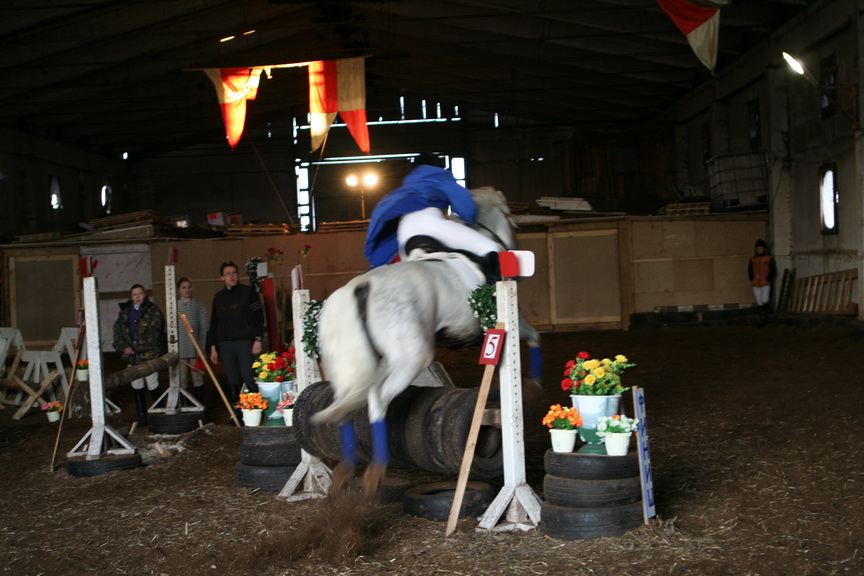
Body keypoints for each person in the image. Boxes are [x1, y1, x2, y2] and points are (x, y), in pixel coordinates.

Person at [363, 153, 503, 279]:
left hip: (404, 233)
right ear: (438, 166)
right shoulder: (440, 176)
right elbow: (468, 211)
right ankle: (495, 296)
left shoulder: (404, 188)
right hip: (430, 223)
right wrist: (469, 215)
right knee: (491, 247)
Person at [206, 262, 264, 409]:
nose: (231, 276)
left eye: (234, 273)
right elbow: (214, 322)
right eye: (227, 274)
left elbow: (258, 317)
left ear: (238, 275)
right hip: (225, 343)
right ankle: (236, 410)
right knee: (231, 378)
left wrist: (258, 339)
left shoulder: (249, 292)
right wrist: (213, 347)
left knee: (248, 375)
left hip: (244, 341)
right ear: (222, 277)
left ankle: (255, 408)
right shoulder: (219, 297)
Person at [113, 284, 166, 426]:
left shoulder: (154, 311)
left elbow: (156, 334)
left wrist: (136, 348)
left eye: (140, 293)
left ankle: (160, 413)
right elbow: (118, 333)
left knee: (152, 382)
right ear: (131, 297)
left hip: (148, 355)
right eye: (134, 294)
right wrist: (124, 348)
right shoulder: (124, 313)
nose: (137, 297)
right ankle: (142, 415)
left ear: (145, 294)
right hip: (132, 356)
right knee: (136, 383)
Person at [176, 277, 207, 402]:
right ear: (179, 290)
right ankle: (185, 404)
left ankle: (199, 403)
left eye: (189, 287)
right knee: (182, 378)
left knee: (197, 377)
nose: (187, 290)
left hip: (195, 348)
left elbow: (203, 326)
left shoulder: (199, 305)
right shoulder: (174, 306)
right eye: (183, 287)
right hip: (180, 349)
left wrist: (201, 347)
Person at [748, 239, 776, 326]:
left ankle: (766, 309)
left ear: (764, 249)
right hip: (755, 283)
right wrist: (752, 279)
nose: (759, 250)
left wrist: (768, 279)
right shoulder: (752, 259)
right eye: (757, 248)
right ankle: (763, 319)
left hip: (765, 283)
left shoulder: (769, 259)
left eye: (760, 248)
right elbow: (749, 270)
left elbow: (773, 270)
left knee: (765, 299)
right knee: (759, 301)